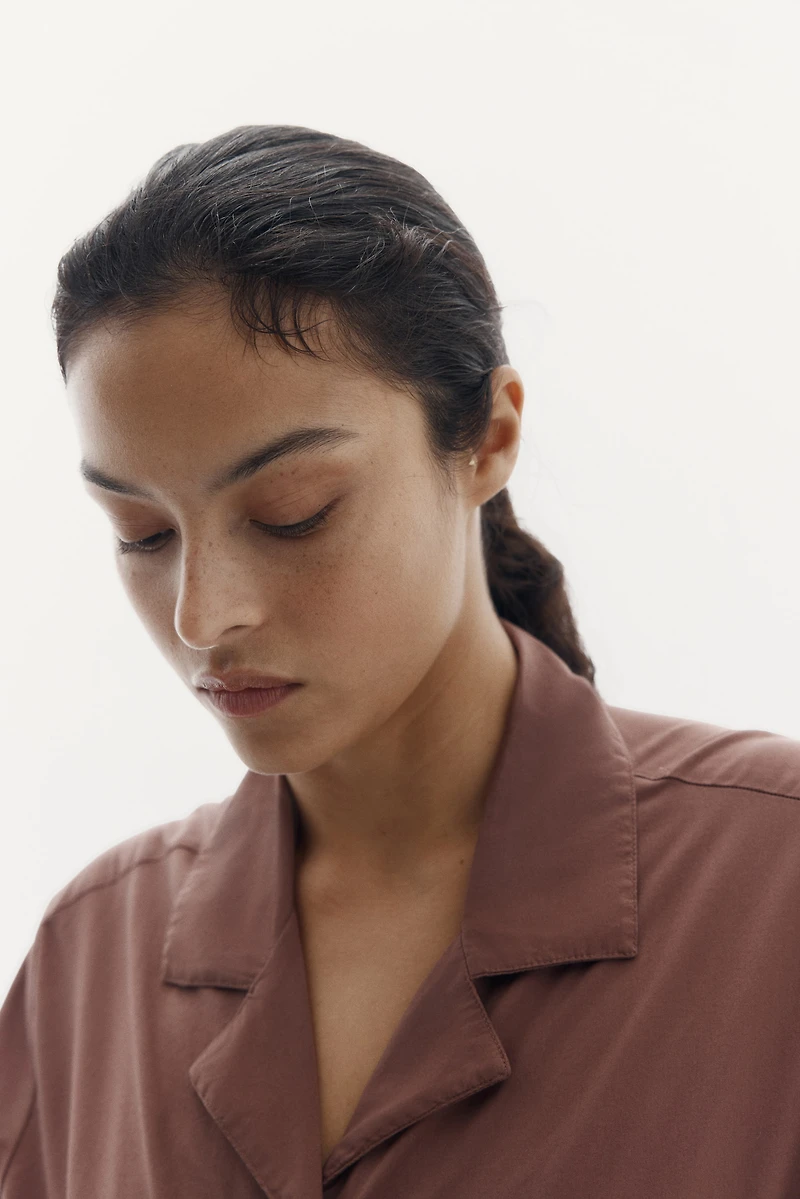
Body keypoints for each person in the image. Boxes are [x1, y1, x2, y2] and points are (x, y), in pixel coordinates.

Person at [2, 125, 799, 1199]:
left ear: (488, 435)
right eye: (141, 532)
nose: (201, 615)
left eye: (292, 513)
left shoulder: (770, 889)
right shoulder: (85, 962)